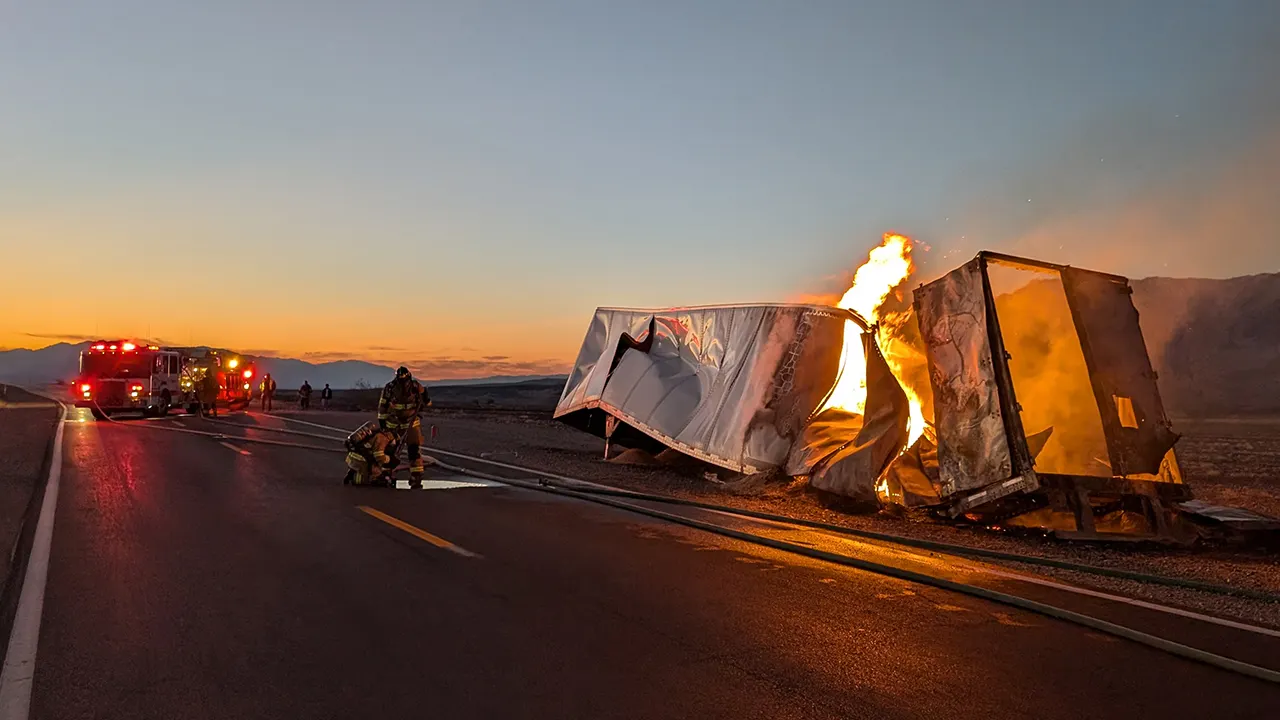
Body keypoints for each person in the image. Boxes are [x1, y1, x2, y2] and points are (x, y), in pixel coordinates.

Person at [378, 366, 430, 485]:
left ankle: (416, 475)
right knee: (391, 449)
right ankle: (387, 473)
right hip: (394, 424)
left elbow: (424, 395)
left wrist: (425, 400)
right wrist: (382, 422)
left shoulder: (415, 386)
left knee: (413, 449)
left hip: (410, 424)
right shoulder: (390, 388)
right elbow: (383, 405)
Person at [343, 420, 400, 486]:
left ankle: (353, 472)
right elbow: (379, 456)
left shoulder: (377, 433)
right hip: (361, 460)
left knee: (371, 461)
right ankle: (359, 479)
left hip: (353, 457)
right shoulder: (383, 438)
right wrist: (390, 460)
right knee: (378, 473)